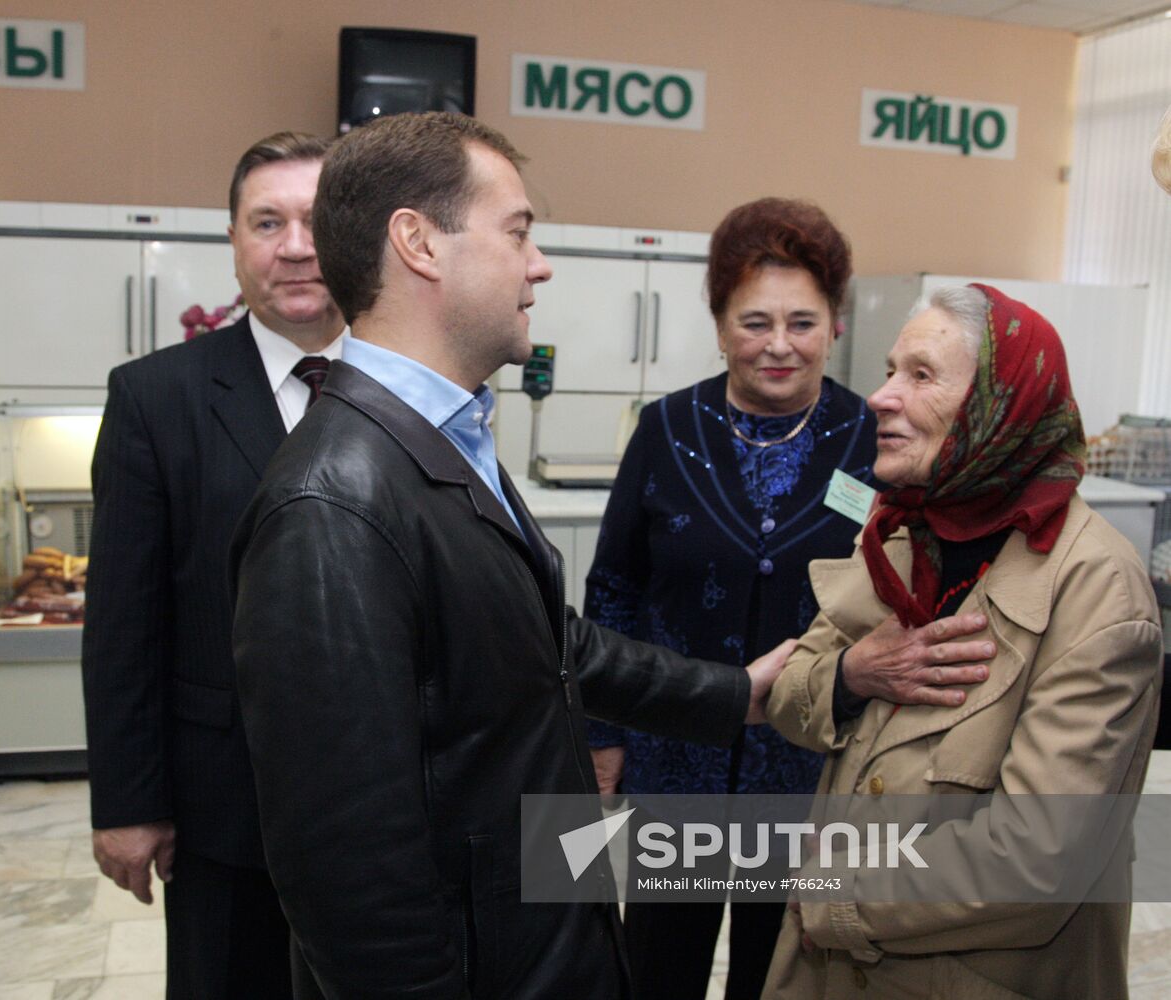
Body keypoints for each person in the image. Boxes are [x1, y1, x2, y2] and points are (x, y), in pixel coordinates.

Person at [229, 111, 795, 1000]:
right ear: (417, 243)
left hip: (536, 936)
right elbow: (348, 876)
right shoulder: (332, 503)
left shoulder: (437, 442)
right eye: (519, 232)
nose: (540, 264)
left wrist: (735, 695)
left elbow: (544, 646)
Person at [762, 284, 1163, 999]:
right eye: (889, 371)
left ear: (1000, 407)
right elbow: (791, 699)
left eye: (919, 376)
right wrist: (853, 674)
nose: (881, 397)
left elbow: (1037, 858)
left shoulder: (1096, 587)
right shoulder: (902, 535)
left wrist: (833, 893)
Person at [584, 197, 878, 999]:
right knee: (659, 968)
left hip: (809, 766)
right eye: (754, 321)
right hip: (673, 756)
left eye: (802, 322)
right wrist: (603, 732)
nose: (779, 345)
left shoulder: (869, 436)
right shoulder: (666, 426)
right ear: (718, 326)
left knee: (783, 968)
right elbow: (612, 586)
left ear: (835, 326)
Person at [82, 131, 346, 999]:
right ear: (233, 242)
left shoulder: (417, 388)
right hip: (224, 806)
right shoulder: (157, 398)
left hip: (382, 808)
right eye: (268, 222)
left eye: (315, 220)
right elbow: (123, 621)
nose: (296, 246)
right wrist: (127, 802)